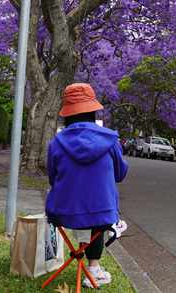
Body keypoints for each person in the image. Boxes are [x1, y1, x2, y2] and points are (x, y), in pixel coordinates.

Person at [45, 83, 128, 289]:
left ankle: (88, 265)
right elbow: (120, 174)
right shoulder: (111, 140)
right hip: (102, 215)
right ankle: (93, 267)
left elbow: (53, 179)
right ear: (93, 111)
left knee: (82, 204)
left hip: (62, 214)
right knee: (97, 208)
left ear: (67, 114)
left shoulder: (55, 143)